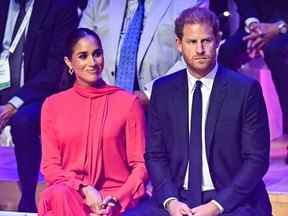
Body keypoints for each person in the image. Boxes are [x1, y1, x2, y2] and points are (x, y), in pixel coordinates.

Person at [145, 7, 272, 215]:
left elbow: (257, 160)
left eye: (206, 41)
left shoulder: (245, 89)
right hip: (178, 198)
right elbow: (155, 155)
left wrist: (216, 206)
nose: (200, 49)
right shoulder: (162, 90)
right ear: (179, 44)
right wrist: (170, 201)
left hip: (232, 200)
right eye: (192, 42)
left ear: (218, 40)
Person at [38, 28, 148, 216]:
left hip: (115, 199)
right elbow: (50, 167)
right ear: (68, 62)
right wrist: (83, 189)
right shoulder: (52, 105)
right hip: (72, 196)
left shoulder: (128, 103)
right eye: (83, 56)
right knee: (57, 195)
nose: (92, 62)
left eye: (97, 54)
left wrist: (116, 200)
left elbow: (141, 165)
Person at [0, 0, 78, 212]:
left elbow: (53, 71)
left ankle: (27, 196)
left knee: (23, 121)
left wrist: (14, 103)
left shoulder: (60, 7)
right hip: (3, 85)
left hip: (38, 91)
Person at [79, 0, 208, 105]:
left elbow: (198, 56)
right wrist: (95, 90)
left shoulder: (190, 2)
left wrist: (151, 94)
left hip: (163, 106)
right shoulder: (98, 3)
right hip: (102, 104)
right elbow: (80, 46)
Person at [218, 0, 288, 135]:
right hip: (254, 26)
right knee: (226, 52)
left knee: (275, 51)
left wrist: (278, 27)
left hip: (284, 25)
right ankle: (230, 127)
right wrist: (254, 25)